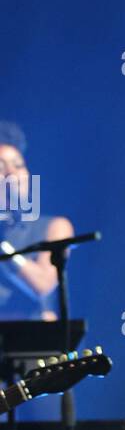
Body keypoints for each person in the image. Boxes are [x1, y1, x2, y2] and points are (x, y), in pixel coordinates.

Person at [0, 121, 74, 322]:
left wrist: (3, 248)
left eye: (18, 165)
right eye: (1, 167)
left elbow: (42, 284)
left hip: (33, 345)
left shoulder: (54, 227)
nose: (12, 174)